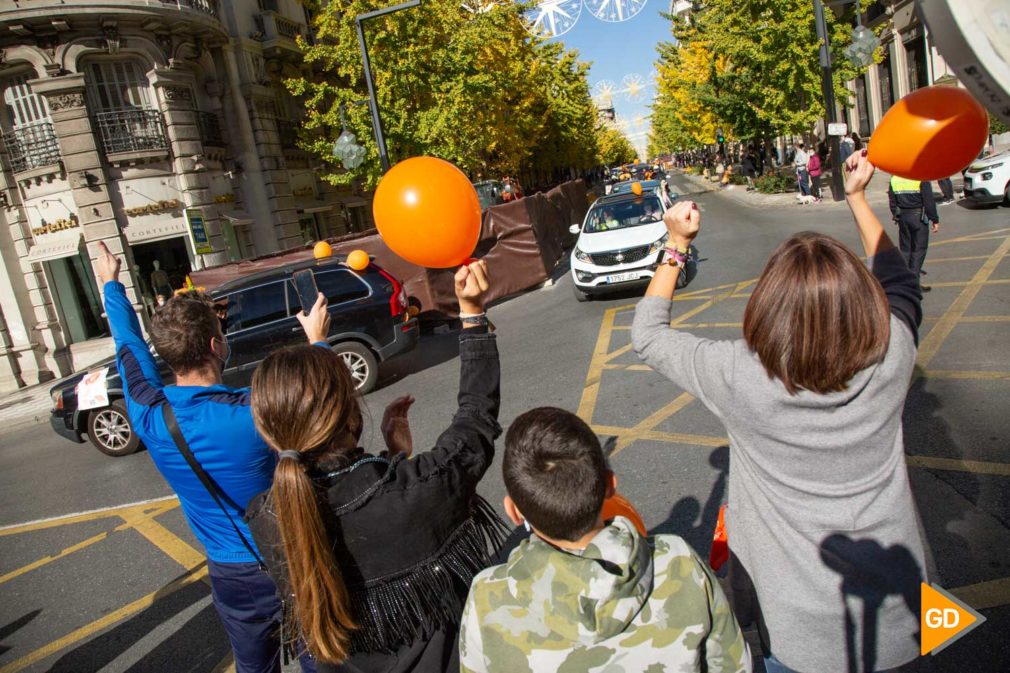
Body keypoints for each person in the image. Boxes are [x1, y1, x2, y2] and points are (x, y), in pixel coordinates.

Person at [631, 150, 927, 673]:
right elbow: (898, 281)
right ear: (864, 303)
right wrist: (856, 197)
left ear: (766, 309)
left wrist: (676, 244)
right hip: (905, 608)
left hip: (796, 627)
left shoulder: (741, 377)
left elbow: (648, 336)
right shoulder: (893, 354)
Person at [245, 260, 508, 673]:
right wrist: (472, 314)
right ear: (352, 413)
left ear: (270, 434)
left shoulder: (268, 517)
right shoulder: (416, 489)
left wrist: (390, 459)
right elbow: (475, 420)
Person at [93, 241, 315, 673]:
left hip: (232, 575)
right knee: (322, 659)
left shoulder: (149, 416)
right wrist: (319, 341)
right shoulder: (254, 411)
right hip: (294, 558)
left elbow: (127, 346)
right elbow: (322, 398)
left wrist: (110, 283)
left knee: (254, 668)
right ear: (217, 345)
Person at [459, 407, 751, 673]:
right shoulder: (680, 562)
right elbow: (732, 664)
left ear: (513, 511)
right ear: (611, 485)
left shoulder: (486, 598)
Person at [888, 174, 939, 292]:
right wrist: (934, 219)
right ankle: (914, 284)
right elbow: (928, 200)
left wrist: (896, 215)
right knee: (918, 251)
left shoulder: (895, 179)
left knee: (906, 250)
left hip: (903, 219)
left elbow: (892, 202)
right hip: (918, 218)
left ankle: (904, 281)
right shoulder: (920, 178)